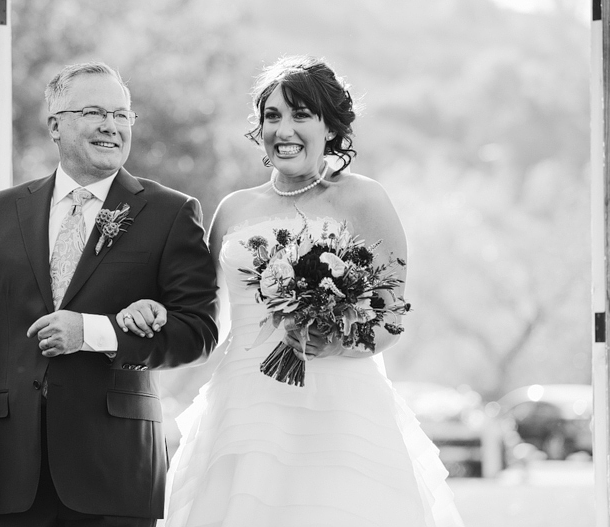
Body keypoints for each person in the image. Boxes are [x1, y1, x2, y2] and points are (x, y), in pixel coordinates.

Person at [145, 56, 465, 526]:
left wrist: (336, 339)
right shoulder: (233, 209)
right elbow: (202, 319)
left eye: (300, 115)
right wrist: (152, 313)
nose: (283, 129)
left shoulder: (365, 199)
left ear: (331, 128)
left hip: (337, 408)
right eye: (272, 116)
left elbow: (392, 317)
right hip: (243, 409)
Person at [0, 61, 219, 527]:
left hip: (116, 470)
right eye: (94, 112)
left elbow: (198, 332)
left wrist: (92, 332)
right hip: (15, 475)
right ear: (55, 125)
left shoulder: (170, 212)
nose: (111, 125)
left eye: (122, 114)